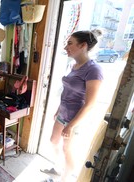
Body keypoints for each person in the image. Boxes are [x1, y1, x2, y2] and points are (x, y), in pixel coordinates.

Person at [41, 29, 104, 182]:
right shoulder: (73, 65)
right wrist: (58, 109)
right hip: (63, 114)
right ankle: (57, 168)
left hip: (75, 120)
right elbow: (67, 90)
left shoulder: (93, 70)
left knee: (67, 150)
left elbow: (90, 103)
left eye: (70, 43)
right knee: (53, 141)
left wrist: (71, 126)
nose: (65, 47)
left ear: (83, 45)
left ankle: (64, 179)